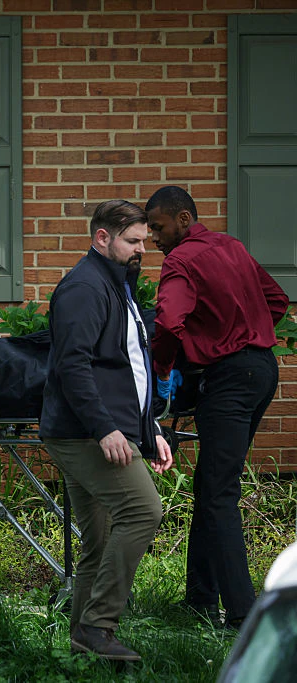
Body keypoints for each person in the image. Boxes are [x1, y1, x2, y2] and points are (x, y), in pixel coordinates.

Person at [145, 186, 288, 630]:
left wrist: (163, 366)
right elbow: (278, 300)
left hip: (227, 380)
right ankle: (200, 599)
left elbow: (168, 321)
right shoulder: (231, 246)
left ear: (184, 220)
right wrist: (243, 330)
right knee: (212, 487)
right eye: (149, 229)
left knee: (219, 494)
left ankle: (243, 614)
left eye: (159, 227)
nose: (154, 237)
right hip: (262, 371)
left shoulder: (181, 260)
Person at [41, 199, 175, 662]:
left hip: (104, 428)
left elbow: (128, 368)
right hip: (84, 433)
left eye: (143, 240)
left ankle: (82, 648)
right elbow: (72, 367)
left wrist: (148, 427)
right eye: (133, 241)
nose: (143, 249)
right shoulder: (84, 288)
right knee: (143, 511)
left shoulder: (118, 285)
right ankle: (98, 627)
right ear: (103, 238)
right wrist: (105, 429)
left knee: (97, 543)